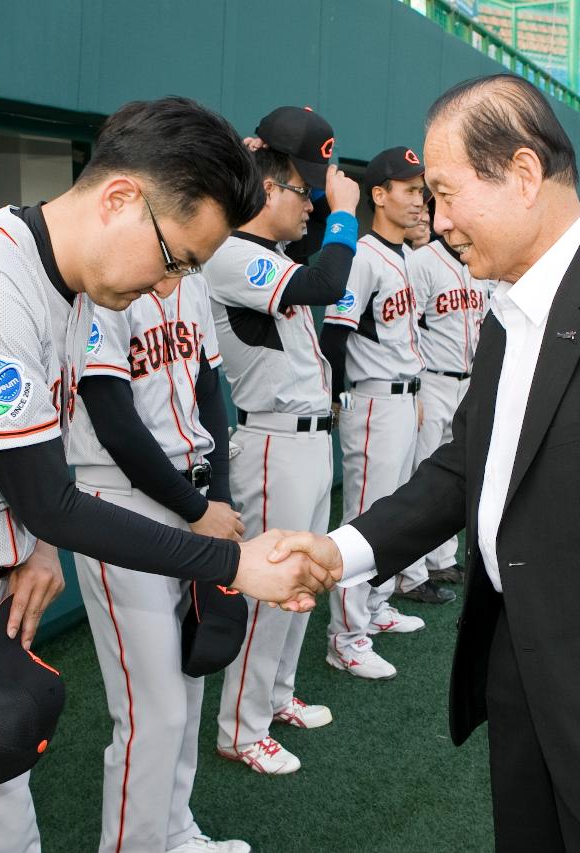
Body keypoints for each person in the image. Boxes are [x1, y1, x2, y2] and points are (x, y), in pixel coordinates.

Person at [0, 97, 334, 853]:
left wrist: (33, 547)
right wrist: (235, 561)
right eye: (174, 258)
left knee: (8, 840)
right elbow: (51, 498)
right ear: (120, 198)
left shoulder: (71, 285)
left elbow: (27, 473)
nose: (169, 287)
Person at [276, 73, 580, 851]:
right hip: (523, 683)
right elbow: (466, 468)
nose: (436, 221)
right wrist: (341, 551)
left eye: (445, 191)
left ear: (526, 174)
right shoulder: (510, 314)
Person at [68, 265, 252, 853]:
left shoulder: (192, 283)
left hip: (192, 497)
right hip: (121, 504)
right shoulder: (105, 286)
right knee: (154, 710)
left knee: (188, 683)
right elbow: (114, 423)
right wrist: (199, 511)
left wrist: (216, 497)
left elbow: (208, 397)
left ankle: (175, 833)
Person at [205, 106, 361, 775]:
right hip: (269, 440)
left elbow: (314, 262)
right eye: (304, 191)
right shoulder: (231, 254)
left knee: (305, 576)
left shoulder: (269, 251)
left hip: (305, 440)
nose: (313, 205)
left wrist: (321, 206)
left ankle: (272, 697)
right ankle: (240, 727)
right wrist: (347, 212)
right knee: (272, 586)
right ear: (268, 190)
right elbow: (328, 279)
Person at [319, 145, 445, 682]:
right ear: (379, 194)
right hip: (372, 398)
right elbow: (334, 336)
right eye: (411, 190)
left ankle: (373, 609)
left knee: (393, 514)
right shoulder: (364, 256)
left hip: (405, 394)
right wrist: (341, 398)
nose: (421, 201)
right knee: (366, 521)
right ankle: (345, 638)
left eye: (423, 191)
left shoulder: (399, 254)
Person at [406, 220, 491, 585]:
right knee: (422, 474)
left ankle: (441, 560)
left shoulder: (479, 261)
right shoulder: (423, 260)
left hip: (466, 381)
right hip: (432, 379)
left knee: (455, 474)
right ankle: (411, 571)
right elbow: (409, 325)